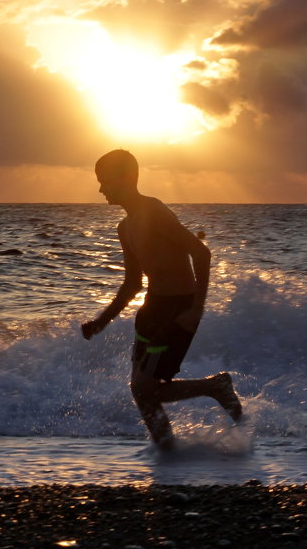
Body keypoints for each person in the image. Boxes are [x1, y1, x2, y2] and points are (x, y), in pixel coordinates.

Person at [80, 149, 241, 450]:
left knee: (145, 388)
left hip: (177, 310)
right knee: (141, 390)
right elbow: (132, 283)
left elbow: (201, 252)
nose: (101, 189)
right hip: (152, 309)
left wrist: (196, 308)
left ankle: (215, 386)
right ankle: (166, 453)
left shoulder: (155, 211)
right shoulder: (125, 228)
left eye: (105, 181)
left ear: (127, 179)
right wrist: (101, 321)